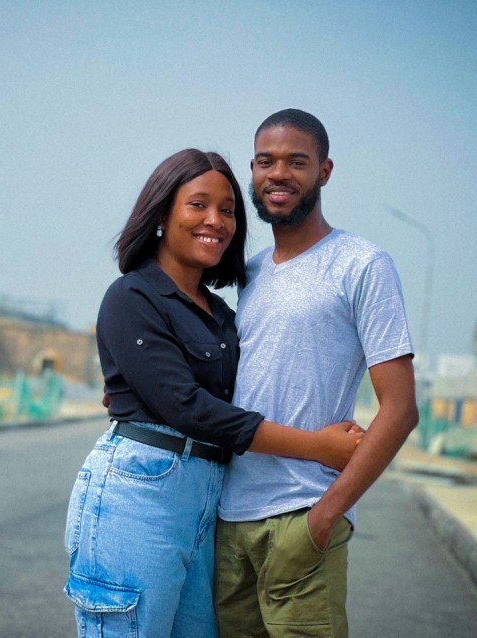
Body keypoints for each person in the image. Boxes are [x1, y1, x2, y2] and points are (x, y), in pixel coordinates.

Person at [63, 148, 364, 637]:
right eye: (198, 205)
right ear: (162, 214)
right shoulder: (132, 295)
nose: (216, 221)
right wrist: (318, 447)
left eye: (227, 210)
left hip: (210, 499)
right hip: (140, 495)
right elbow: (190, 408)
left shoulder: (224, 316)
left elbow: (241, 390)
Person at [214, 109, 419, 637]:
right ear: (252, 172)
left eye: (296, 162)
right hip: (230, 526)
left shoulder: (361, 264)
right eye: (265, 161)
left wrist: (326, 516)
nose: (278, 174)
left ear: (324, 172)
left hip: (301, 517)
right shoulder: (251, 272)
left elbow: (400, 409)